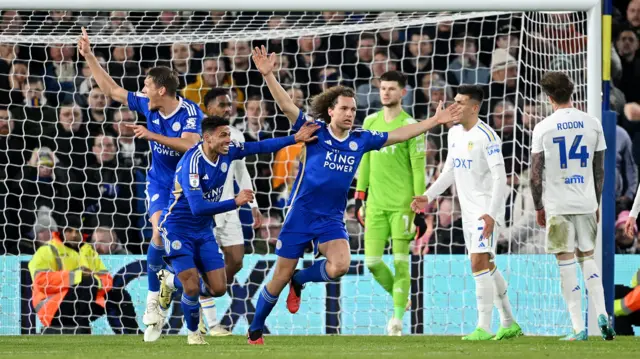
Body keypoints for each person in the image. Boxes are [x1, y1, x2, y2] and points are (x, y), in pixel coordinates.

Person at [246, 46, 461, 345]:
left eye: (353, 109)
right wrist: (268, 75)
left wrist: (433, 122)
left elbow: (401, 134)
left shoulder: (361, 139)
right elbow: (285, 105)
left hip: (331, 219)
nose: (350, 113)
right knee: (279, 276)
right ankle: (255, 329)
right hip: (301, 214)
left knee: (340, 266)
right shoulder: (314, 131)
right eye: (344, 109)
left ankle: (301, 279)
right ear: (331, 111)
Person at [77, 27, 204, 342]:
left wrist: (151, 135)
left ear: (161, 90)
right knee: (158, 229)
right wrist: (90, 56)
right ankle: (152, 307)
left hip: (188, 185)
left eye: (147, 85)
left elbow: (189, 145)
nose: (142, 90)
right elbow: (113, 91)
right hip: (161, 181)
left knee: (206, 277)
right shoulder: (149, 105)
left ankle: (170, 285)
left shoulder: (190, 111)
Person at [157, 116, 319, 344]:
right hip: (177, 229)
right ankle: (194, 333)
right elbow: (197, 207)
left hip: (203, 231)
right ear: (207, 138)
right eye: (223, 135)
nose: (228, 139)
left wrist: (295, 138)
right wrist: (236, 201)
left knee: (219, 288)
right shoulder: (192, 163)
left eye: (229, 134)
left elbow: (259, 146)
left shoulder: (228, 151)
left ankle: (171, 281)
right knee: (192, 287)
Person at [411, 85, 522, 341]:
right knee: (488, 265)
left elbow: (500, 179)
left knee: (477, 263)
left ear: (475, 107)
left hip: (485, 211)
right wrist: (428, 196)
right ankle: (509, 322)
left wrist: (492, 214)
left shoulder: (488, 136)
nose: (455, 106)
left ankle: (484, 327)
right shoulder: (453, 134)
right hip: (468, 213)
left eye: (461, 102)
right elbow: (449, 171)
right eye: (454, 101)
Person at [157, 88, 264, 336]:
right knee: (193, 273)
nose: (228, 108)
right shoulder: (194, 143)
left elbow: (243, 170)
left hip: (227, 209)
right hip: (198, 215)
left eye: (230, 104)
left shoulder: (233, 136)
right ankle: (210, 321)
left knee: (235, 261)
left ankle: (189, 289)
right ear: (207, 108)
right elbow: (192, 197)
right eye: (222, 104)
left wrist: (252, 203)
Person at [529, 71, 615, 341]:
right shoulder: (592, 124)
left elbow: (535, 174)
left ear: (549, 97)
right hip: (586, 201)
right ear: (572, 92)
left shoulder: (543, 127)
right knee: (587, 257)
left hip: (557, 204)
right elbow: (599, 170)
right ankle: (602, 313)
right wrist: (596, 202)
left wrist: (538, 206)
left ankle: (578, 328)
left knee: (565, 261)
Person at [353, 70, 426, 336]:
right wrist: (359, 196)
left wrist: (419, 206)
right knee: (372, 261)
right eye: (383, 88)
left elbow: (419, 169)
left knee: (401, 262)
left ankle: (396, 320)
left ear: (402, 93)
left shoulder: (412, 126)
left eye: (391, 88)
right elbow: (365, 161)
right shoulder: (370, 122)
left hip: (402, 206)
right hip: (375, 205)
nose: (386, 92)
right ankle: (401, 297)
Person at [28, 216, 140, 334]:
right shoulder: (48, 250)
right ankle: (82, 325)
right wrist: (77, 276)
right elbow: (41, 281)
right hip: (51, 306)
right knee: (87, 282)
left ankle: (133, 332)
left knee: (118, 293)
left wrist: (93, 280)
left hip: (84, 298)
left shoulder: (87, 250)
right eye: (69, 231)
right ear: (61, 231)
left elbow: (106, 279)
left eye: (78, 231)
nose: (74, 235)